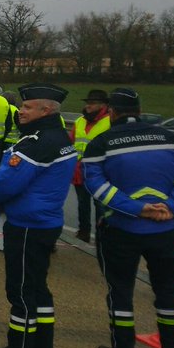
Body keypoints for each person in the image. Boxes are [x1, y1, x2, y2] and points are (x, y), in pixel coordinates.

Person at [83, 88, 174, 348]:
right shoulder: (171, 138)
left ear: (111, 112)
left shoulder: (101, 143)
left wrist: (137, 209)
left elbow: (96, 185)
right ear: (139, 110)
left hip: (120, 229)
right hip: (166, 229)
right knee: (168, 292)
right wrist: (171, 207)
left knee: (120, 291)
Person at [0, 83, 76, 348]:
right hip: (47, 223)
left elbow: (5, 185)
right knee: (38, 289)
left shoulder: (35, 143)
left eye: (27, 107)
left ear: (45, 110)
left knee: (21, 290)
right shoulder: (60, 137)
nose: (20, 111)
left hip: (26, 226)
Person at [70, 89, 111, 243]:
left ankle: (102, 236)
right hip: (80, 171)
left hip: (101, 172)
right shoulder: (79, 121)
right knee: (83, 205)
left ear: (103, 105)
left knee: (101, 206)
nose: (88, 106)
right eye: (87, 103)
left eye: (92, 103)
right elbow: (71, 143)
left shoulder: (110, 122)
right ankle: (83, 233)